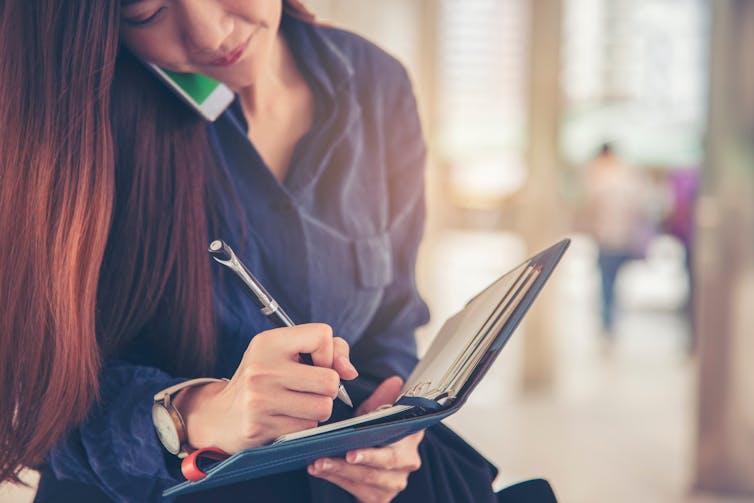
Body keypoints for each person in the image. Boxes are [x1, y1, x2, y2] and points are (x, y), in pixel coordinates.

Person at [0, 1, 561, 502]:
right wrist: (196, 414)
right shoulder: (75, 118)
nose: (210, 33)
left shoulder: (375, 84)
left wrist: (396, 426)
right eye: (146, 12)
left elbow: (392, 321)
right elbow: (35, 395)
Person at [581, 143, 649, 334]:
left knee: (606, 280)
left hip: (607, 238)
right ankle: (611, 317)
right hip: (623, 237)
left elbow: (590, 209)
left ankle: (608, 319)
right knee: (614, 280)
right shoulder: (629, 176)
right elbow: (639, 208)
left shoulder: (600, 179)